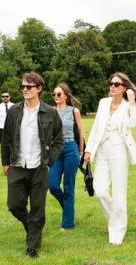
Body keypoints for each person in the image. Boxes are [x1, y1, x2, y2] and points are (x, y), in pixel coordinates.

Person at [1, 71, 63, 259]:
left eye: (29, 86)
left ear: (39, 89)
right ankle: (32, 227)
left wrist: (49, 160)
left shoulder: (50, 112)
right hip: (18, 165)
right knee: (14, 205)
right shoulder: (14, 111)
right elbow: (6, 139)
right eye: (23, 87)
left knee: (38, 208)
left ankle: (32, 247)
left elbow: (58, 140)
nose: (25, 90)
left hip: (39, 167)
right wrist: (5, 162)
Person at [84, 72, 136, 245]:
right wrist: (88, 150)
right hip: (102, 151)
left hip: (119, 151)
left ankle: (117, 232)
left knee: (119, 193)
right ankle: (116, 220)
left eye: (116, 84)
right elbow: (96, 128)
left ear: (124, 88)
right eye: (111, 83)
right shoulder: (103, 103)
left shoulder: (128, 106)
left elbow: (132, 124)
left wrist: (132, 102)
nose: (112, 86)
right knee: (99, 190)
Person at [48, 83, 84, 231]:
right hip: (56, 151)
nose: (56, 97)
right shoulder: (50, 111)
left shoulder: (74, 111)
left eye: (59, 94)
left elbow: (81, 131)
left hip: (71, 149)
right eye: (54, 94)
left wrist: (81, 151)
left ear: (66, 96)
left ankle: (68, 224)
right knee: (53, 185)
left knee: (69, 186)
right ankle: (68, 209)